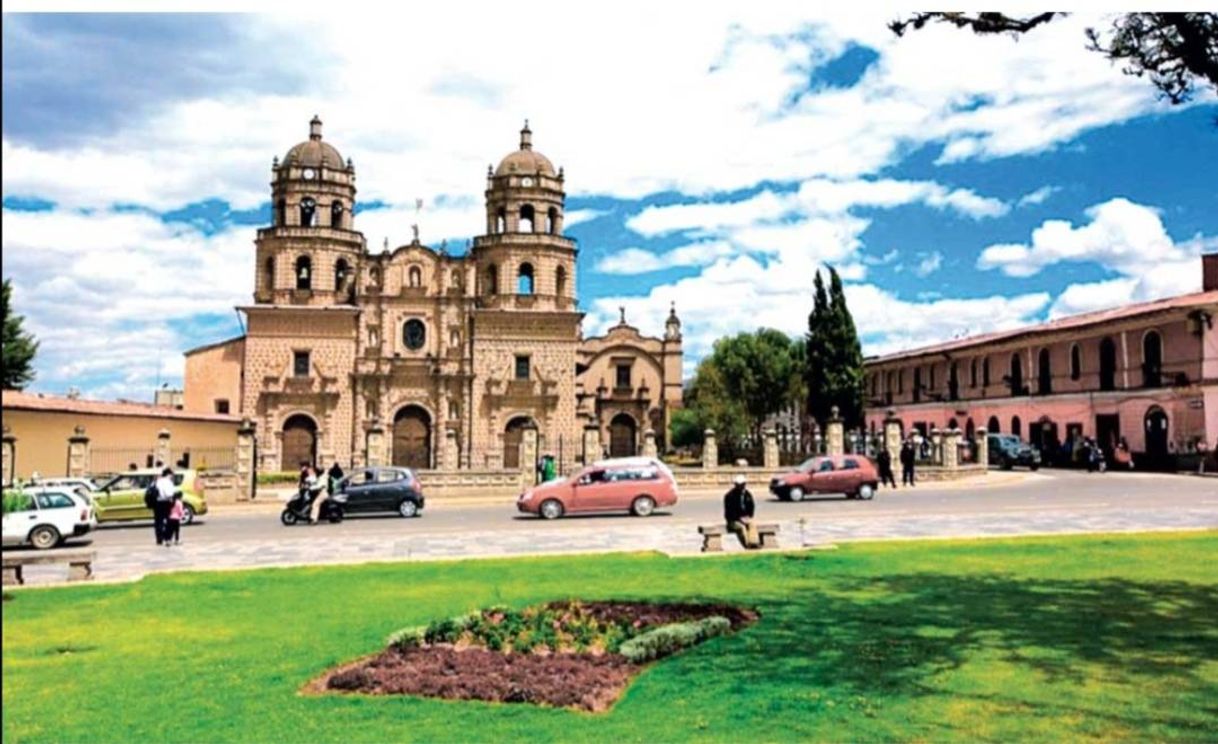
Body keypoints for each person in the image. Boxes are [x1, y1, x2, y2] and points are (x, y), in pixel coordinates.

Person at [723, 474, 760, 549]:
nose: (742, 487)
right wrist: (739, 519)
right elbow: (729, 512)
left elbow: (751, 507)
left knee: (752, 524)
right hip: (733, 520)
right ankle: (747, 545)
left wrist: (748, 516)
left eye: (743, 484)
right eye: (740, 485)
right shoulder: (730, 496)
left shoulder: (747, 494)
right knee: (742, 528)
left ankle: (754, 543)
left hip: (745, 518)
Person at [154, 467, 176, 546]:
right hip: (166, 502)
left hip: (157, 503)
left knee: (158, 522)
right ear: (169, 474)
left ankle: (159, 540)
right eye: (172, 474)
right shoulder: (168, 482)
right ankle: (167, 538)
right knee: (169, 521)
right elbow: (169, 493)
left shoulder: (158, 481)